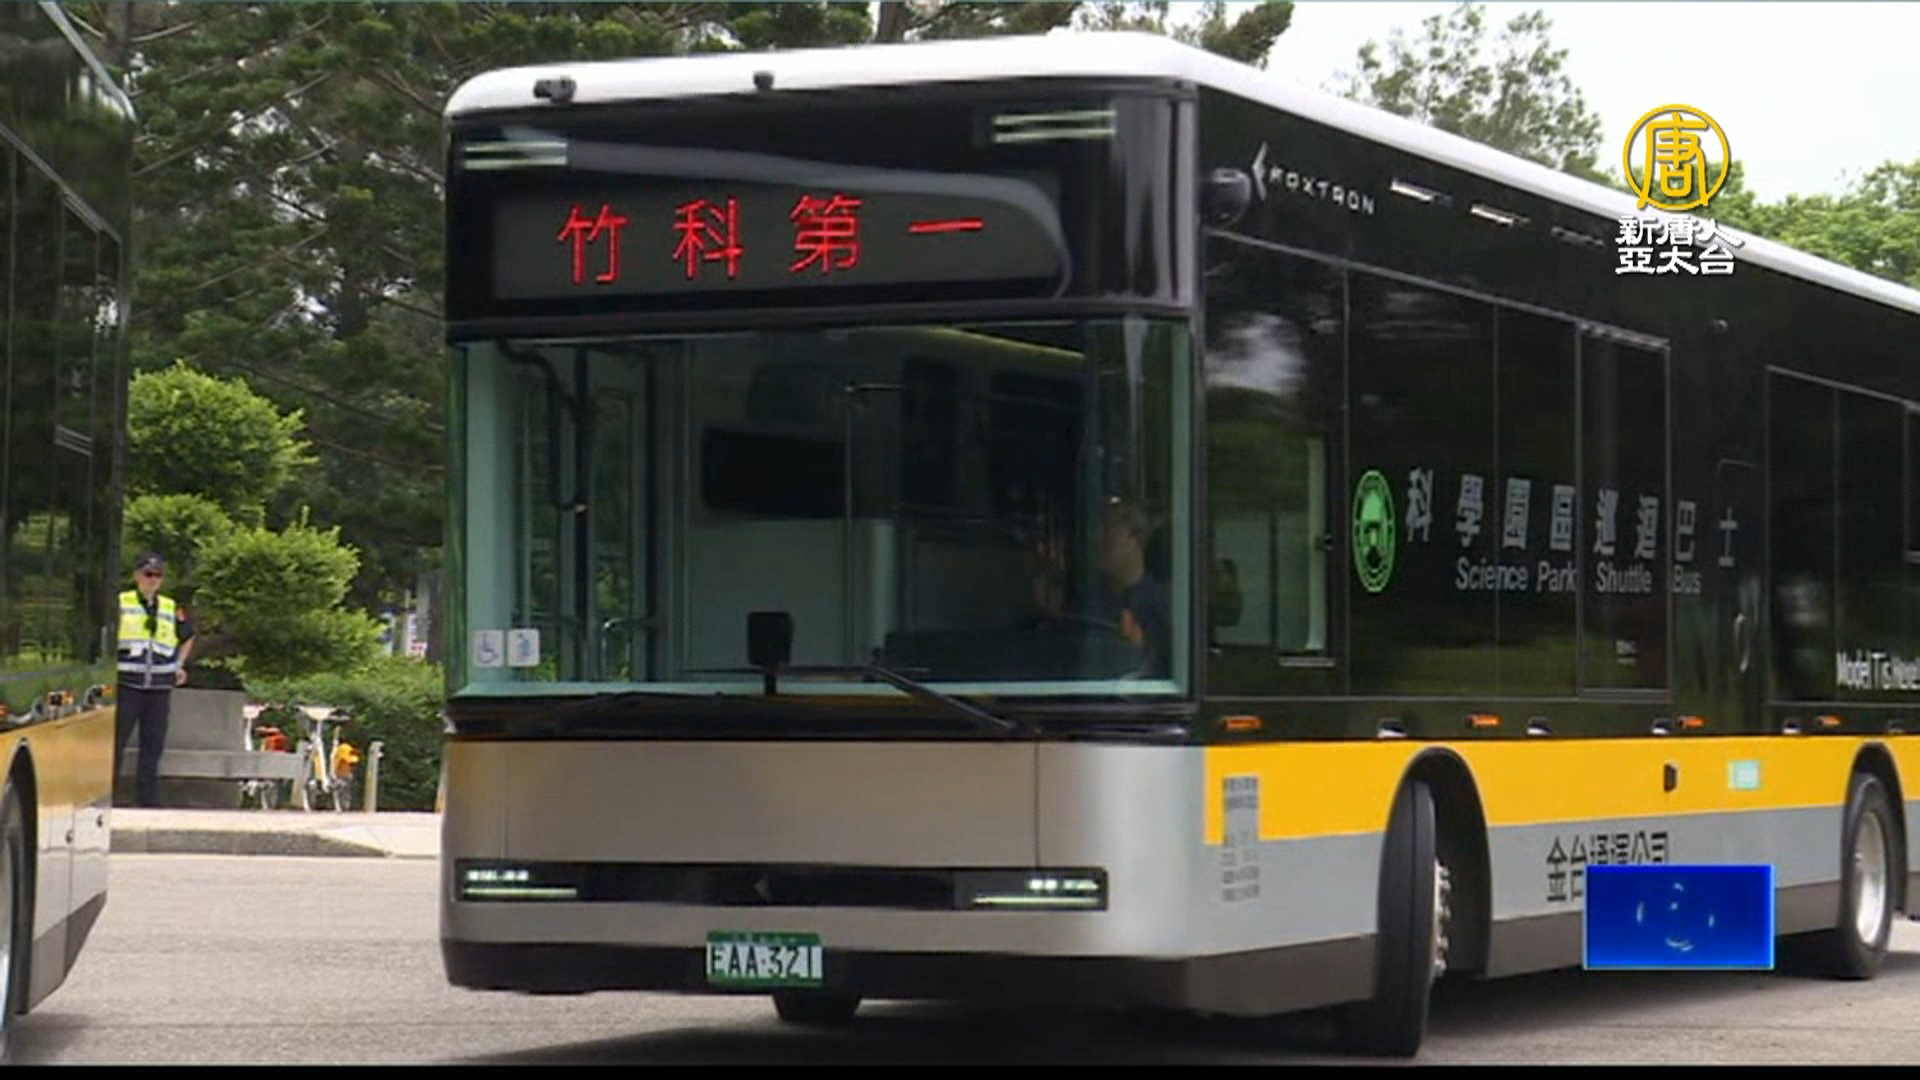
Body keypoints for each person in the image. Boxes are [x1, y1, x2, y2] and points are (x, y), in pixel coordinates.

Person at [115, 552, 194, 808]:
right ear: (137, 576)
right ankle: (108, 795)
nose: (153, 579)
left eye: (157, 575)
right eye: (148, 574)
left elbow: (187, 636)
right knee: (116, 742)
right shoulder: (122, 603)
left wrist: (179, 665)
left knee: (153, 745)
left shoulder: (170, 607)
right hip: (127, 683)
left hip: (159, 686)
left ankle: (148, 800)